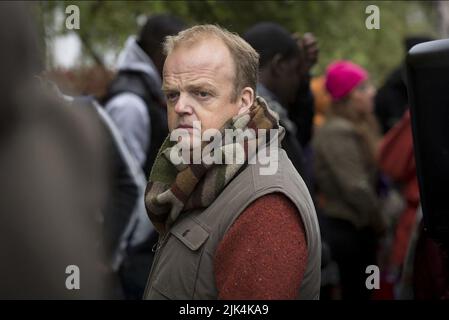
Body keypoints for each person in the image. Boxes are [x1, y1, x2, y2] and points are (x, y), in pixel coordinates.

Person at [143, 24, 321, 300]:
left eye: (202, 93)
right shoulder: (197, 170)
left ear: (243, 101)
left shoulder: (266, 204)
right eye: (172, 94)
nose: (180, 107)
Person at [102, 14, 186, 299]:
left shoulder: (150, 92)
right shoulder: (129, 104)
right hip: (131, 257)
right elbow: (122, 187)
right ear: (161, 51)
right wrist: (122, 253)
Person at [312, 60, 385, 299]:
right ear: (345, 97)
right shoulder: (337, 131)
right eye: (362, 88)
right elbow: (356, 187)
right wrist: (380, 222)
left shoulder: (362, 125)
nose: (372, 92)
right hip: (347, 231)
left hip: (361, 228)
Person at [243, 23, 317, 183]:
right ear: (279, 66)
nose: (297, 81)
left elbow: (299, 138)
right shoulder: (262, 123)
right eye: (297, 70)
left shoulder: (240, 111)